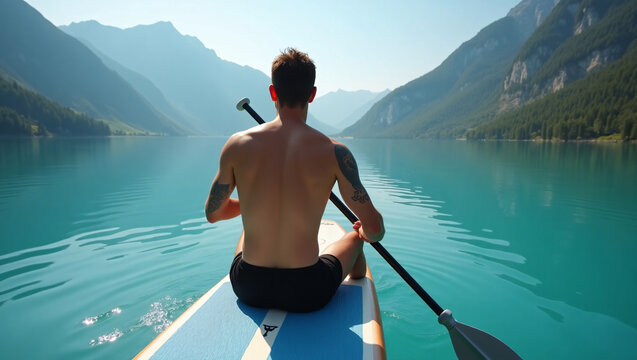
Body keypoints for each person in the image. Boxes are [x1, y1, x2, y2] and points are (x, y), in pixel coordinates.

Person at [205, 48, 384, 313]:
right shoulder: (334, 152)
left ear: (272, 92)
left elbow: (213, 213)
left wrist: (253, 204)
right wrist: (363, 231)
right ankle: (356, 281)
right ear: (312, 94)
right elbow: (376, 230)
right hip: (307, 290)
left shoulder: (237, 144)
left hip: (247, 285)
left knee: (248, 228)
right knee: (356, 239)